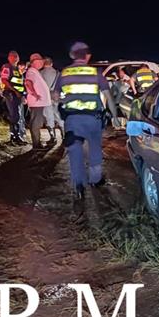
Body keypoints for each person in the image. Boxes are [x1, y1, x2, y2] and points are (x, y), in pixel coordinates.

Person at [56, 42, 109, 199]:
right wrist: (113, 114)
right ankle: (95, 179)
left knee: (75, 150)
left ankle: (78, 184)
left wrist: (61, 104)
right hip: (93, 118)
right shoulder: (96, 72)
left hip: (72, 119)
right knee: (94, 148)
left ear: (72, 55)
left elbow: (55, 95)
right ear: (88, 56)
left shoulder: (64, 73)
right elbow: (108, 96)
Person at [24, 53, 52, 149]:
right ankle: (36, 145)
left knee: (37, 122)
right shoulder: (31, 71)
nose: (41, 64)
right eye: (40, 61)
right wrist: (34, 94)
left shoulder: (34, 71)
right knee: (36, 123)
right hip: (37, 103)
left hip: (38, 103)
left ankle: (37, 143)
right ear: (34, 61)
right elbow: (28, 82)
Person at [0, 51, 27, 144]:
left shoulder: (18, 69)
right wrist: (15, 91)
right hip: (11, 94)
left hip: (18, 95)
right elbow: (4, 80)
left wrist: (22, 94)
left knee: (18, 115)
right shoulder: (7, 67)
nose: (15, 58)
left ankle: (16, 135)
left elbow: (20, 83)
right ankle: (15, 136)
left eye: (16, 56)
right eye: (12, 56)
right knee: (15, 115)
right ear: (8, 58)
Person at [40, 57, 64, 142]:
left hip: (45, 98)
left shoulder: (40, 73)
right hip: (56, 97)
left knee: (48, 117)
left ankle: (53, 138)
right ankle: (63, 136)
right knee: (59, 116)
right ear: (52, 63)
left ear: (43, 63)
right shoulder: (58, 73)